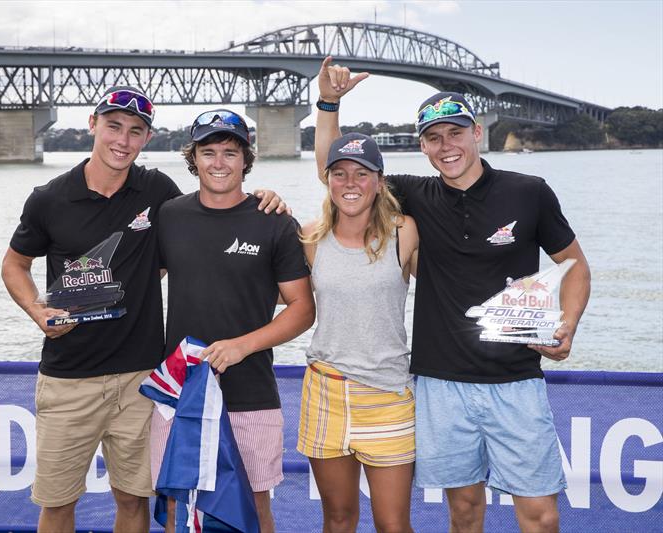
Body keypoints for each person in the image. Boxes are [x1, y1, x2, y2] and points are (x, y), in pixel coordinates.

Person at [314, 57, 591, 533]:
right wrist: (328, 104)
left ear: (476, 133)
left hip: (515, 379)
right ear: (423, 147)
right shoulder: (413, 196)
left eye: (455, 133)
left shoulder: (529, 191)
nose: (447, 146)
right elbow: (338, 173)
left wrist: (567, 325)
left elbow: (576, 266)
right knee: (463, 512)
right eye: (434, 138)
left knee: (541, 517)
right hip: (441, 383)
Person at [1, 87, 286, 533]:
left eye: (136, 131)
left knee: (135, 502)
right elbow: (15, 264)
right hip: (68, 377)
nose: (123, 140)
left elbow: (214, 214)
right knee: (57, 504)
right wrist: (38, 311)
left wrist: (265, 199)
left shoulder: (158, 192)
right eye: (113, 126)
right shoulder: (49, 197)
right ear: (93, 125)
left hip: (142, 380)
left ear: (147, 139)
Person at [150, 109, 315, 533]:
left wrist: (242, 345)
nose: (219, 162)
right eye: (208, 152)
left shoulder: (274, 221)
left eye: (230, 152)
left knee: (254, 509)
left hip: (251, 392)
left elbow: (302, 308)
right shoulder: (169, 216)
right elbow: (141, 279)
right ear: (194, 159)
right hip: (180, 394)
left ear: (246, 160)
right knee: (175, 508)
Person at [298, 130, 419, 533]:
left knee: (392, 524)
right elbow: (283, 297)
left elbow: (455, 284)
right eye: (339, 173)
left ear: (380, 181)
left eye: (361, 173)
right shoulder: (310, 237)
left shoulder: (404, 232)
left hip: (388, 394)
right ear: (326, 179)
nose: (350, 183)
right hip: (326, 392)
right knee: (337, 519)